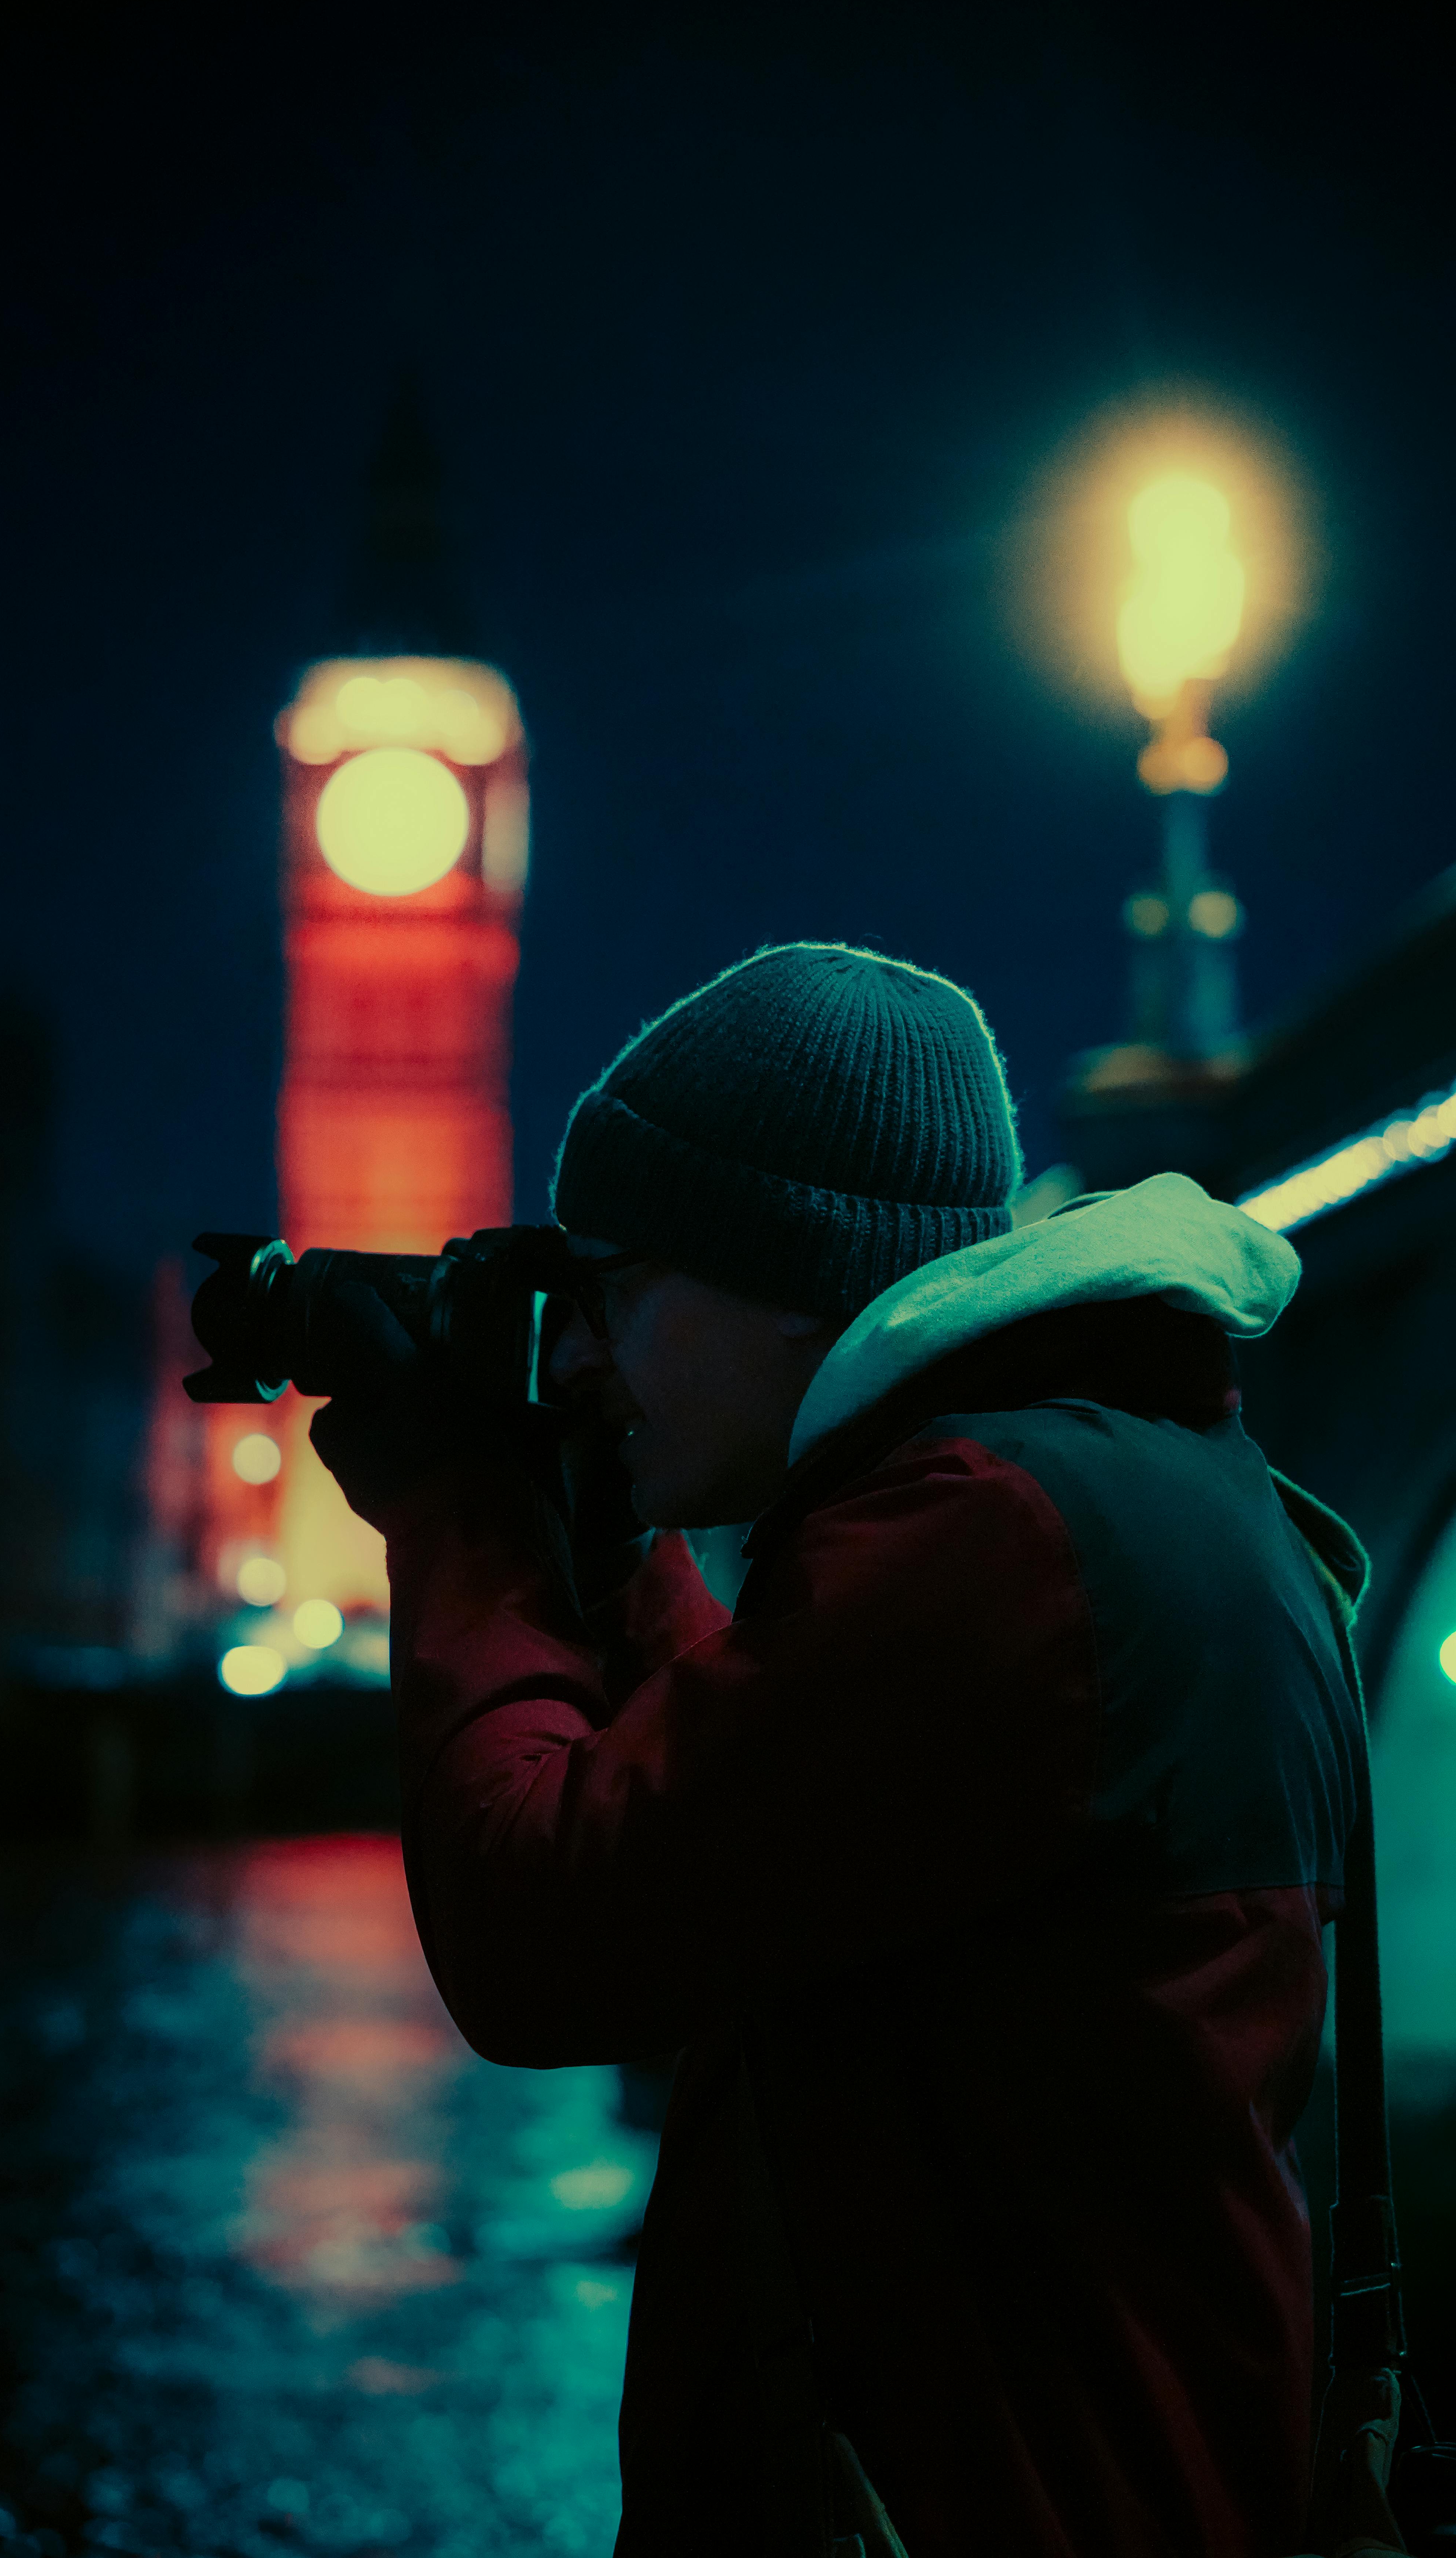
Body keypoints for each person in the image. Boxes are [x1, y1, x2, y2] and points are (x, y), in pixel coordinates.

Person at [312, 941, 1363, 2558]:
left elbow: (542, 1935)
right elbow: (754, 1815)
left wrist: (463, 1512)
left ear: (789, 1272)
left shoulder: (991, 1540)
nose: (576, 1356)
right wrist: (604, 1533)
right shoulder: (1110, 1486)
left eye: (612, 1289)